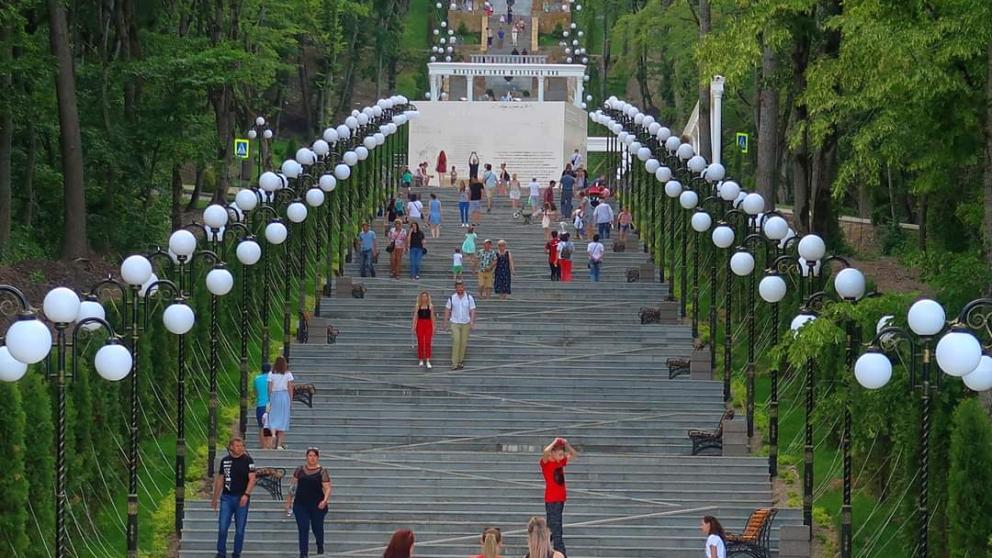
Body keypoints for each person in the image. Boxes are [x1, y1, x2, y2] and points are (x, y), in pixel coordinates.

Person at [212, 438, 257, 558]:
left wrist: (246, 495)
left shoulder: (248, 460)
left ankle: (236, 553)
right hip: (227, 497)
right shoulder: (225, 461)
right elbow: (220, 479)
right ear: (231, 447)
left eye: (241, 446)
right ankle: (221, 553)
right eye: (236, 446)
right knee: (222, 527)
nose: (239, 448)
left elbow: (252, 479)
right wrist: (215, 498)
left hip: (241, 497)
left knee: (240, 529)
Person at [285, 448, 332, 558]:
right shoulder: (299, 470)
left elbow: (328, 488)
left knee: (317, 527)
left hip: (317, 504)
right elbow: (292, 487)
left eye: (314, 456)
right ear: (306, 457)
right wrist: (288, 502)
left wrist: (325, 501)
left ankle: (320, 545)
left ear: (318, 457)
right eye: (310, 456)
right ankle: (303, 553)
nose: (312, 458)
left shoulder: (322, 471)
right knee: (303, 527)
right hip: (300, 504)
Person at [541, 438, 576, 556]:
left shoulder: (560, 463)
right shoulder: (547, 464)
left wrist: (566, 444)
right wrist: (555, 442)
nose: (562, 456)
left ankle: (544, 550)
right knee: (556, 529)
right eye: (560, 454)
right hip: (552, 500)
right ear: (553, 453)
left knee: (551, 528)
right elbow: (545, 452)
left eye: (562, 454)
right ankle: (561, 553)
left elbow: (573, 454)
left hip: (560, 499)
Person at [444, 280, 476, 370]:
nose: (460, 289)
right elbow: (447, 310)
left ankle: (460, 361)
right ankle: (454, 363)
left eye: (461, 287)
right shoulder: (452, 298)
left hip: (466, 323)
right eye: (458, 287)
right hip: (455, 322)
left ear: (463, 287)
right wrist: (445, 322)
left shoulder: (469, 298)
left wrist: (472, 322)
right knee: (456, 341)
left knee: (463, 342)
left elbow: (472, 310)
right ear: (456, 288)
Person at [268, 356, 294, 449]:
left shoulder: (271, 374)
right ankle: (279, 444)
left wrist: (270, 398)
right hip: (284, 395)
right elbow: (290, 387)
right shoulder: (288, 374)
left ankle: (274, 434)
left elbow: (270, 388)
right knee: (283, 419)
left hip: (274, 396)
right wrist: (290, 400)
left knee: (273, 417)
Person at [411, 291, 436, 368]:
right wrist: (413, 326)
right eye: (423, 296)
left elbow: (432, 317)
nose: (424, 298)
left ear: (428, 297)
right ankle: (421, 359)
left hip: (428, 324)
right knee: (420, 342)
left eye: (425, 296)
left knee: (428, 342)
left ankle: (428, 360)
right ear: (420, 297)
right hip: (420, 324)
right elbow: (415, 316)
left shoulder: (430, 306)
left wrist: (434, 326)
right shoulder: (418, 306)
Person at [253, 363, 271, 449]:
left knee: (261, 426)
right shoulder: (271, 379)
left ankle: (263, 446)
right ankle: (268, 445)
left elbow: (255, 392)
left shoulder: (257, 379)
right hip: (270, 404)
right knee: (269, 425)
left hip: (260, 405)